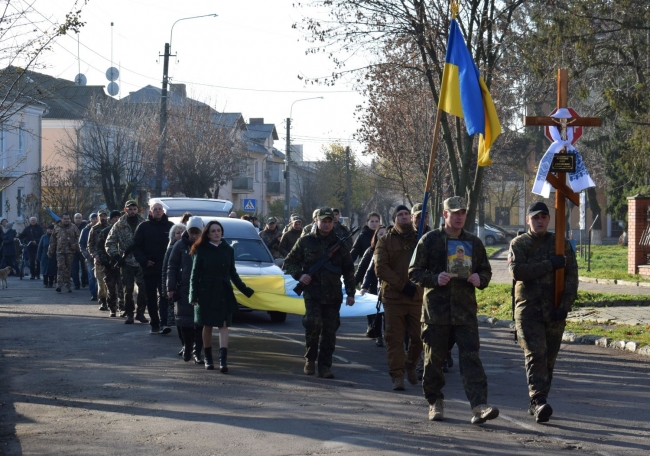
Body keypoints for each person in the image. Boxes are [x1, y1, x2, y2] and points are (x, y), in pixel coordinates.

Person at [409, 196, 498, 424]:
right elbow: (413, 271)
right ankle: (435, 401)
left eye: (463, 213)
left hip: (464, 312)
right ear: (445, 214)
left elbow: (486, 271)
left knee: (471, 360)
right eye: (454, 213)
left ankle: (479, 405)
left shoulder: (474, 243)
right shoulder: (429, 241)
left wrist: (481, 278)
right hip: (436, 313)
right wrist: (434, 278)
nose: (459, 217)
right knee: (434, 361)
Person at [508, 202, 578, 423]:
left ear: (549, 220)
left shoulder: (561, 244)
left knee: (548, 359)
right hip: (528, 310)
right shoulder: (519, 243)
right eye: (535, 217)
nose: (540, 221)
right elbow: (518, 271)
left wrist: (564, 307)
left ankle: (538, 401)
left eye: (543, 217)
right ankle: (538, 401)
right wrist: (549, 264)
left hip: (554, 310)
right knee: (535, 354)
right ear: (528, 220)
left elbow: (571, 277)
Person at [284, 207, 356, 379]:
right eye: (323, 221)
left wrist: (351, 293)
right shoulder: (305, 241)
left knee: (330, 332)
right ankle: (310, 359)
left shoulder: (340, 243)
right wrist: (300, 275)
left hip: (333, 295)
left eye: (329, 221)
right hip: (312, 293)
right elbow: (289, 262)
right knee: (313, 325)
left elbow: (348, 270)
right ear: (316, 221)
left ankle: (325, 366)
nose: (326, 224)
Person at [189, 220, 254, 372]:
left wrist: (246, 290)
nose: (217, 233)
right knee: (208, 324)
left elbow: (233, 273)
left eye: (219, 230)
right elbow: (195, 274)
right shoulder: (201, 249)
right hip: (206, 292)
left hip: (224, 291)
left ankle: (223, 361)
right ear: (208, 234)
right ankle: (208, 358)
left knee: (224, 325)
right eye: (213, 231)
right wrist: (193, 294)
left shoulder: (228, 249)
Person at [374, 205, 423, 391]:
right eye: (400, 215)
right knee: (394, 339)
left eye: (406, 214)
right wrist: (403, 286)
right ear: (394, 219)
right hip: (394, 298)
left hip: (417, 298)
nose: (404, 217)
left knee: (419, 338)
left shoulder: (420, 239)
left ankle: (410, 364)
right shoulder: (385, 241)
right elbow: (381, 268)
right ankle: (397, 375)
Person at [133, 202, 174, 334]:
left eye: (159, 209)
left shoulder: (170, 226)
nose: (157, 211)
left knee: (164, 296)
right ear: (150, 212)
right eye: (155, 209)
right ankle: (154, 323)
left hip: (165, 268)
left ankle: (164, 323)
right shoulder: (143, 227)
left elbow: (176, 246)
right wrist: (144, 261)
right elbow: (136, 247)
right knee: (150, 297)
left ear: (163, 211)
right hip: (149, 268)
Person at [105, 200, 148, 325]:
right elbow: (109, 242)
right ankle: (129, 313)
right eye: (130, 209)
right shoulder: (119, 225)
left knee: (143, 288)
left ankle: (140, 313)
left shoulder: (143, 224)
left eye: (134, 209)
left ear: (138, 210)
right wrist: (117, 257)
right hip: (126, 262)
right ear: (125, 210)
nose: (132, 211)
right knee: (127, 290)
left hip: (141, 261)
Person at [167, 217, 203, 364]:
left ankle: (197, 352)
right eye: (191, 232)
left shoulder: (206, 245)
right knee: (184, 321)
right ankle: (187, 347)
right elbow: (172, 266)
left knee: (200, 323)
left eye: (197, 232)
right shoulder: (180, 245)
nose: (194, 236)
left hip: (202, 290)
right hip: (183, 289)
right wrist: (170, 287)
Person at [357, 225, 387, 347]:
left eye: (385, 234)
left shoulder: (392, 250)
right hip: (373, 287)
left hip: (388, 286)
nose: (383, 236)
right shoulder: (370, 251)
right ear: (376, 236)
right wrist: (361, 286)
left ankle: (387, 335)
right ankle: (378, 335)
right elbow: (364, 270)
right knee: (377, 313)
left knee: (388, 315)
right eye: (380, 234)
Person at [162, 223, 187, 351]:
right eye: (178, 233)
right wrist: (166, 289)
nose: (181, 235)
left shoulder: (191, 248)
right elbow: (166, 270)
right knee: (179, 320)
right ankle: (184, 345)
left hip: (187, 289)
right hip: (175, 289)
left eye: (183, 232)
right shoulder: (171, 249)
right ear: (173, 235)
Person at [96, 211, 123, 317]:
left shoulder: (124, 231)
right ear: (111, 219)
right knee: (111, 288)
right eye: (114, 217)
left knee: (122, 288)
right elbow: (100, 248)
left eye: (118, 217)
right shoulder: (106, 231)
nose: (117, 219)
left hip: (122, 263)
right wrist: (104, 261)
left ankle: (122, 307)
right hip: (109, 264)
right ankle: (112, 308)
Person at [47, 213, 80, 293]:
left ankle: (67, 285)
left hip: (70, 252)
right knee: (60, 267)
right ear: (61, 219)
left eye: (68, 219)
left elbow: (79, 237)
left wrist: (76, 245)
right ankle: (59, 285)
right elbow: (53, 240)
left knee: (68, 268)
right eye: (65, 219)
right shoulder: (57, 227)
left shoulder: (73, 227)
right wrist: (50, 251)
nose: (66, 220)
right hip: (60, 251)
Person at [88, 211, 109, 311]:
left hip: (110, 259)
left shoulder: (112, 227)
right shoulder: (94, 229)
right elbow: (90, 245)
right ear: (98, 217)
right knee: (101, 283)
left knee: (111, 282)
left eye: (105, 216)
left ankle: (112, 302)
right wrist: (95, 255)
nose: (103, 218)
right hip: (99, 260)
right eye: (101, 216)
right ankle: (103, 301)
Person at [79, 213, 98, 301]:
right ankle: (93, 293)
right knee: (91, 276)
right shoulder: (85, 230)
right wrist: (87, 255)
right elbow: (81, 244)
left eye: (96, 218)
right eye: (93, 219)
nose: (95, 220)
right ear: (90, 220)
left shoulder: (101, 229)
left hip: (99, 257)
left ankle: (100, 293)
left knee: (100, 276)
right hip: (90, 257)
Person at [71, 213, 88, 289]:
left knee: (84, 267)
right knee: (74, 267)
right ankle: (76, 284)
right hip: (73, 250)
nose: (78, 219)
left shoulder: (86, 227)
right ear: (74, 219)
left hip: (83, 249)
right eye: (76, 218)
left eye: (79, 218)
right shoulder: (71, 227)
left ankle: (84, 281)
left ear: (82, 218)